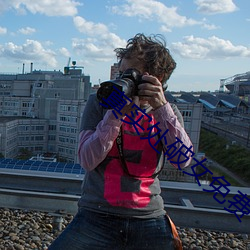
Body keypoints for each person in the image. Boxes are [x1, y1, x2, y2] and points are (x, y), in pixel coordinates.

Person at [48, 33, 193, 250]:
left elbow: (182, 160)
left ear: (157, 78)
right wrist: (115, 115)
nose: (124, 79)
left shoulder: (168, 114)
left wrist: (162, 110)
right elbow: (87, 160)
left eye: (132, 74)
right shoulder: (99, 104)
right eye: (122, 72)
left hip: (148, 215)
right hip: (96, 213)